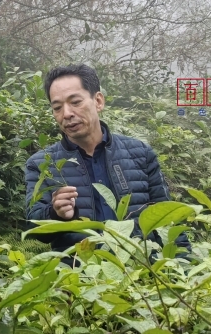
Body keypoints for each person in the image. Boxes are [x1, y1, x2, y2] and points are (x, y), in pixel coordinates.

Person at [25, 64, 189, 254]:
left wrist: (184, 266)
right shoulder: (42, 163)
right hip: (81, 275)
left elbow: (168, 218)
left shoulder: (140, 153)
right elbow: (33, 227)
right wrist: (56, 213)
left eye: (75, 102)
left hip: (143, 272)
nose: (67, 114)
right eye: (57, 107)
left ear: (98, 101)